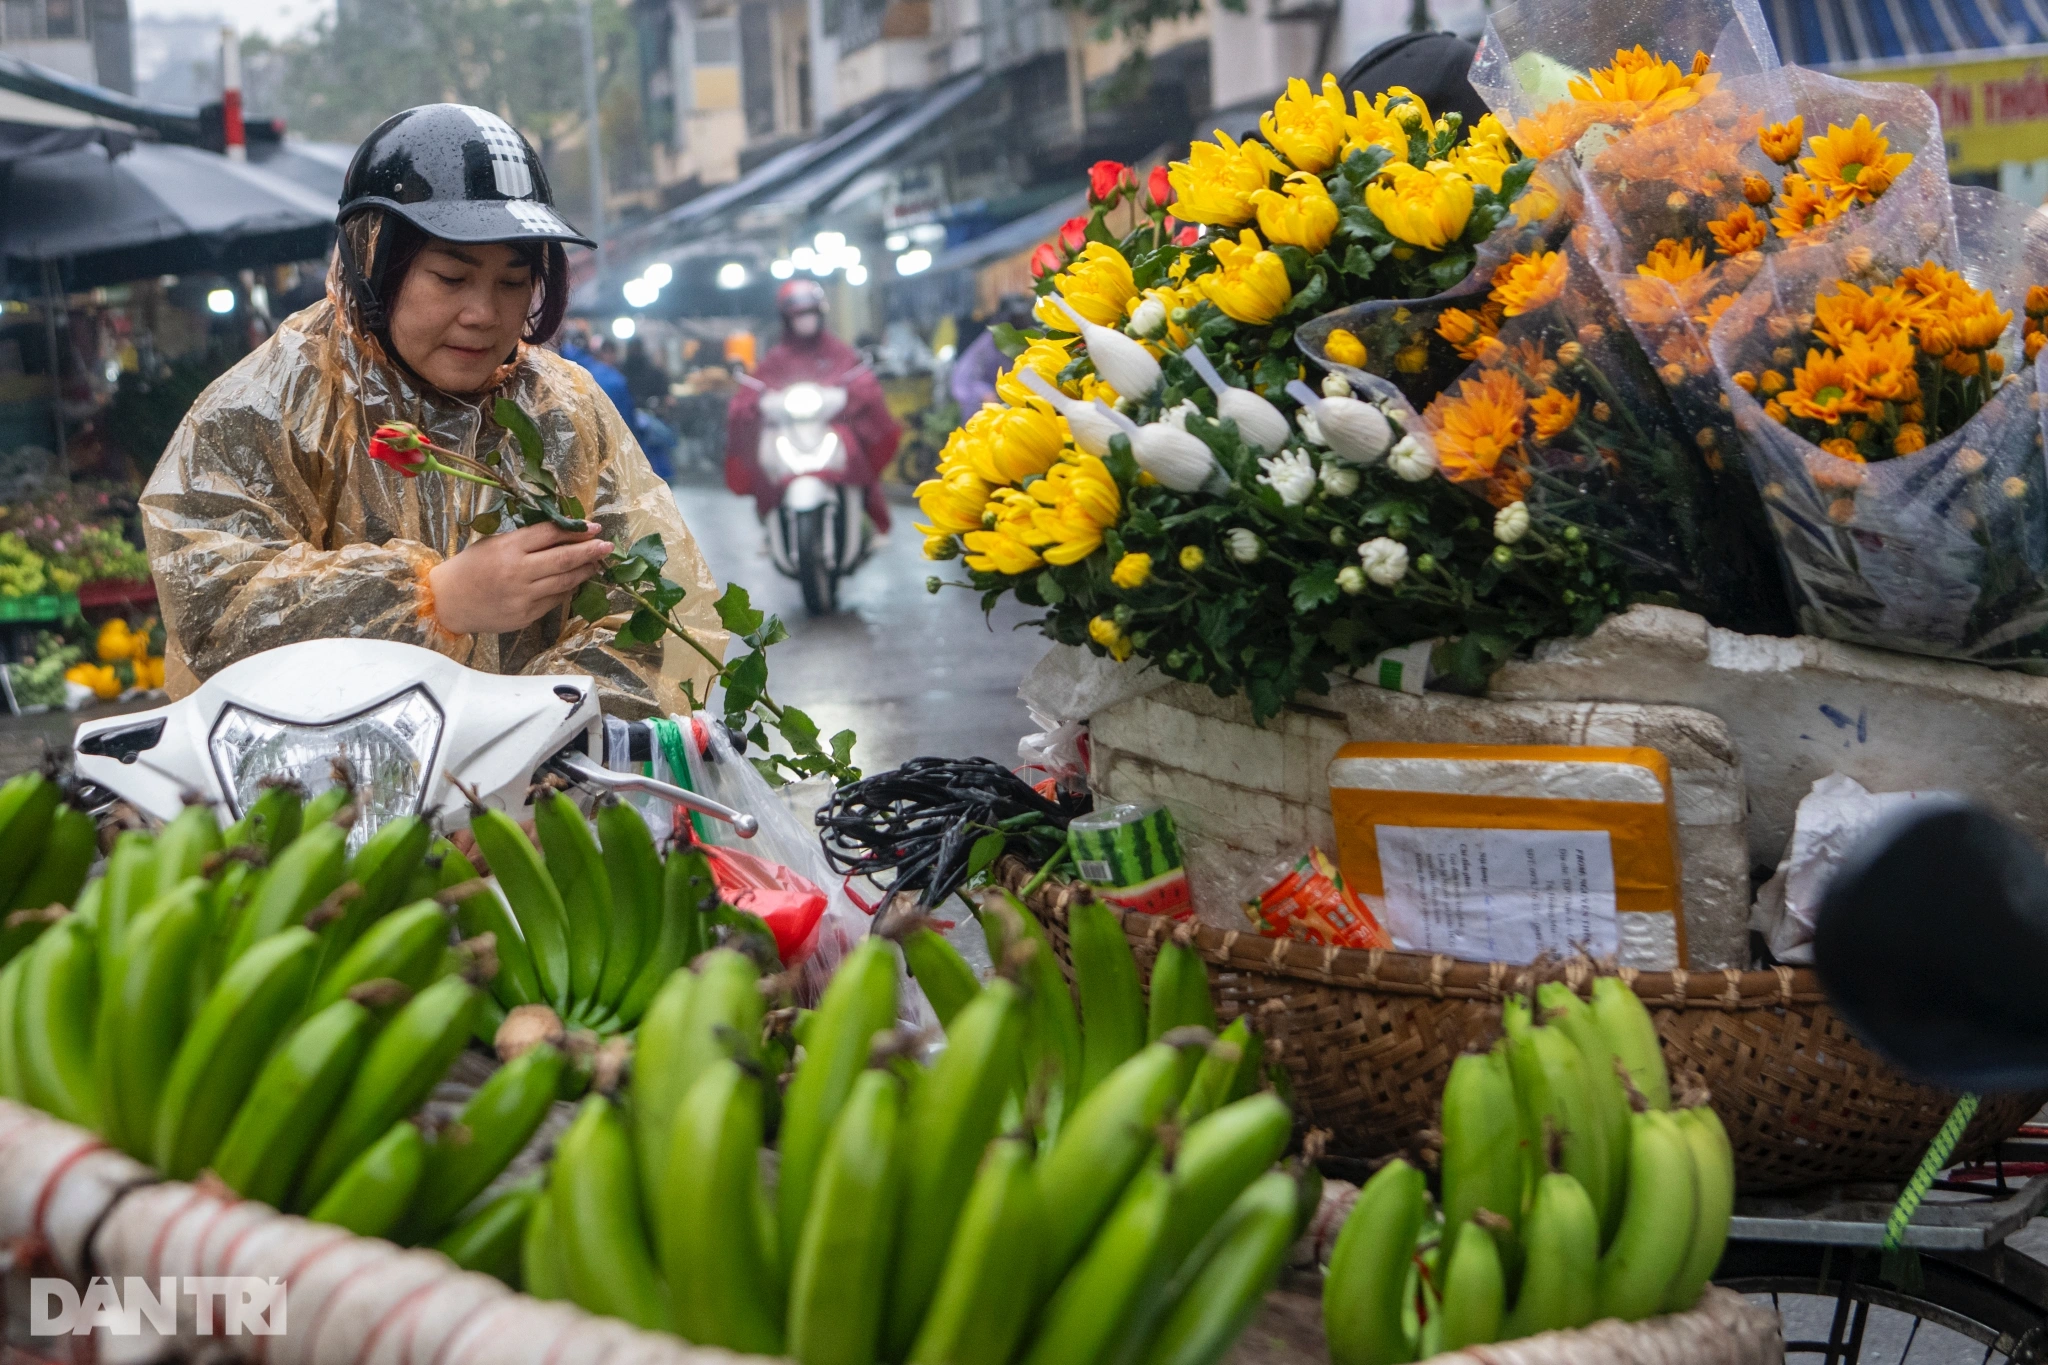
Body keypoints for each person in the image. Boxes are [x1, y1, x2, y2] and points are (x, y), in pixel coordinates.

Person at [140, 103, 725, 719]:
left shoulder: (563, 409)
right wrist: (438, 600)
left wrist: (530, 733)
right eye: (451, 277)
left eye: (511, 283)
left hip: (540, 796)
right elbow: (214, 615)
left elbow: (651, 616)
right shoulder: (262, 408)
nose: (484, 314)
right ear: (374, 262)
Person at [724, 278, 902, 534]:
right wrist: (750, 404)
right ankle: (770, 521)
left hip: (831, 428)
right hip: (787, 431)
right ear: (787, 319)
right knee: (764, 460)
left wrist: (853, 395)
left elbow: (860, 379)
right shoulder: (776, 358)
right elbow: (754, 388)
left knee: (855, 455)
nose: (805, 320)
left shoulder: (838, 351)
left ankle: (867, 517)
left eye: (810, 313)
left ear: (820, 314)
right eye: (798, 315)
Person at [950, 294, 1035, 415]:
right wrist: (984, 393)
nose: (1020, 322)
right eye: (1015, 318)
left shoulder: (1029, 339)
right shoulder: (987, 345)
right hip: (990, 409)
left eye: (1021, 318)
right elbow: (962, 380)